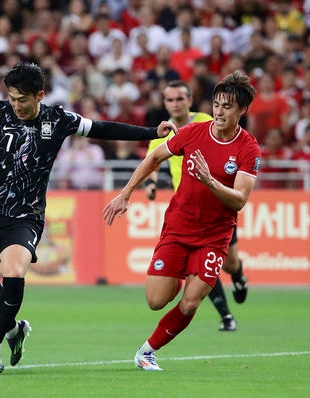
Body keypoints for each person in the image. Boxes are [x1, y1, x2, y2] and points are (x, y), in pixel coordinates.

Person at [0, 61, 175, 373]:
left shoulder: (58, 119)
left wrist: (152, 132)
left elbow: (103, 128)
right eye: (13, 98)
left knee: (15, 271)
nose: (16, 106)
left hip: (26, 215)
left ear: (40, 95)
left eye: (23, 100)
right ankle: (15, 331)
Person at [103, 70, 260, 371]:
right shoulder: (193, 133)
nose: (219, 111)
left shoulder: (248, 148)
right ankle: (180, 273)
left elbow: (239, 199)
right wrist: (125, 193)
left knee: (190, 303)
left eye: (227, 106)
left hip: (215, 236)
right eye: (216, 104)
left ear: (242, 110)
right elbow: (153, 158)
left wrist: (210, 181)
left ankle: (147, 351)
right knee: (155, 300)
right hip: (178, 228)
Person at [145, 80, 249, 332]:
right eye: (170, 100)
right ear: (165, 104)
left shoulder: (206, 121)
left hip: (217, 206)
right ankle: (226, 315)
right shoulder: (163, 132)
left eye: (180, 99)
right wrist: (150, 185)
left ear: (190, 100)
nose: (175, 104)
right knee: (200, 270)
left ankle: (238, 277)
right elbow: (153, 160)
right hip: (187, 209)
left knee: (229, 264)